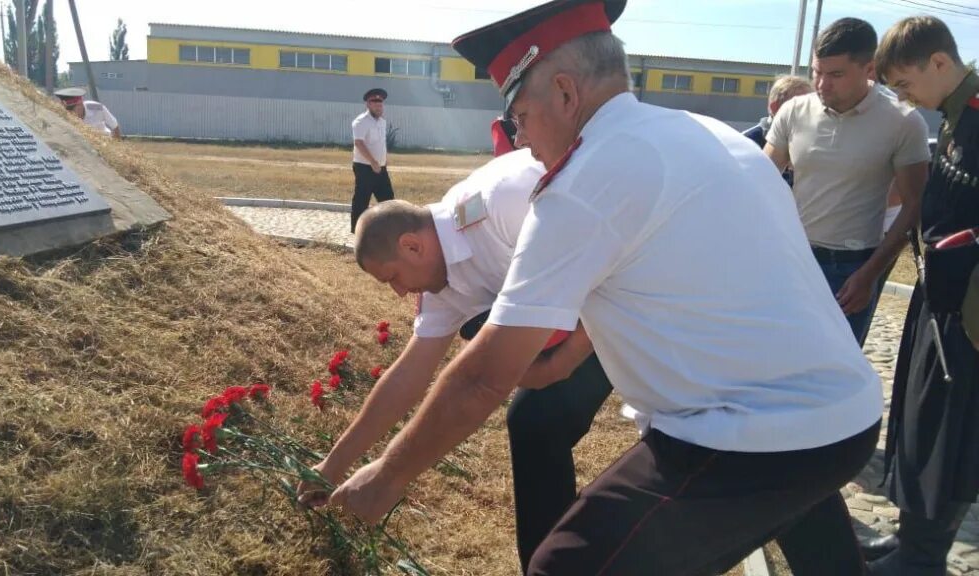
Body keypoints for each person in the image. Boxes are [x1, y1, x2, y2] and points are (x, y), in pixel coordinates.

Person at [328, 1, 883, 574]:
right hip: (843, 413)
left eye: (518, 116)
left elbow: (482, 379)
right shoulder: (705, 132)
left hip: (745, 429)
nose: (520, 140)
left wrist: (386, 477)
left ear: (566, 94)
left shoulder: (583, 182)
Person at [298, 133, 615, 573]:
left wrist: (563, 362)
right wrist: (332, 466)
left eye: (393, 277)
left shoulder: (503, 205)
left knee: (555, 419)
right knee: (533, 422)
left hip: (629, 287)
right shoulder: (439, 278)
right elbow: (408, 374)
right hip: (576, 306)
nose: (399, 291)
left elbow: (606, 259)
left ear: (412, 245)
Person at [855, 16, 979, 575]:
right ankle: (911, 540)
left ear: (939, 63)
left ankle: (924, 558)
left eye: (904, 84)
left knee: (950, 436)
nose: (903, 98)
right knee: (917, 419)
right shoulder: (955, 116)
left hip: (969, 317)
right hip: (939, 300)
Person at [764, 18, 930, 346]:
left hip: (853, 270)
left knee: (833, 369)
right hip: (791, 258)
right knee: (777, 358)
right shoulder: (794, 111)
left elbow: (915, 205)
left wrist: (870, 274)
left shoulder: (903, 121)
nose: (822, 84)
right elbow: (761, 179)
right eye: (816, 72)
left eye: (836, 74)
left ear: (869, 69)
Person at [742, 75, 812, 187]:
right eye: (799, 109)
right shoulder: (746, 144)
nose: (808, 115)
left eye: (810, 108)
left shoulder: (812, 146)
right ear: (775, 108)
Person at [350, 88, 395, 233]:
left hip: (380, 167)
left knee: (388, 199)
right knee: (361, 200)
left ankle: (391, 229)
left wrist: (384, 159)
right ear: (367, 104)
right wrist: (373, 162)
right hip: (364, 167)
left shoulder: (382, 122)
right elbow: (359, 143)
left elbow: (381, 143)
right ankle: (357, 230)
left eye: (380, 101)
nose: (378, 104)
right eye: (374, 101)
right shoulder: (360, 121)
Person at [53, 87, 122, 139]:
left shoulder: (97, 108)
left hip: (105, 142)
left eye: (72, 109)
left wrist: (118, 146)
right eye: (68, 110)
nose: (70, 113)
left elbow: (115, 126)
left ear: (80, 103)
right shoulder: (64, 117)